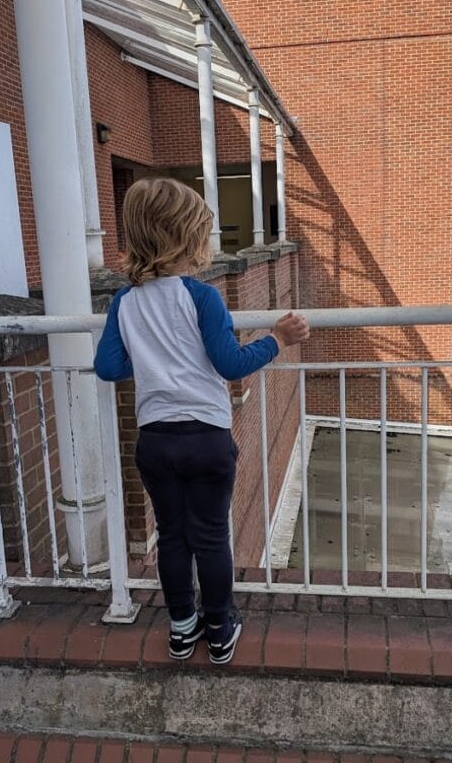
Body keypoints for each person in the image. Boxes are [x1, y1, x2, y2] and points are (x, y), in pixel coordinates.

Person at [94, 177, 309, 664]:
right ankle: (218, 628)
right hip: (207, 440)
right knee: (210, 536)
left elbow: (108, 367)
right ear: (187, 239)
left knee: (172, 536)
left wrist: (151, 363)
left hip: (156, 443)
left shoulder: (123, 303)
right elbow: (230, 364)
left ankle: (181, 627)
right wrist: (277, 338)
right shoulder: (202, 297)